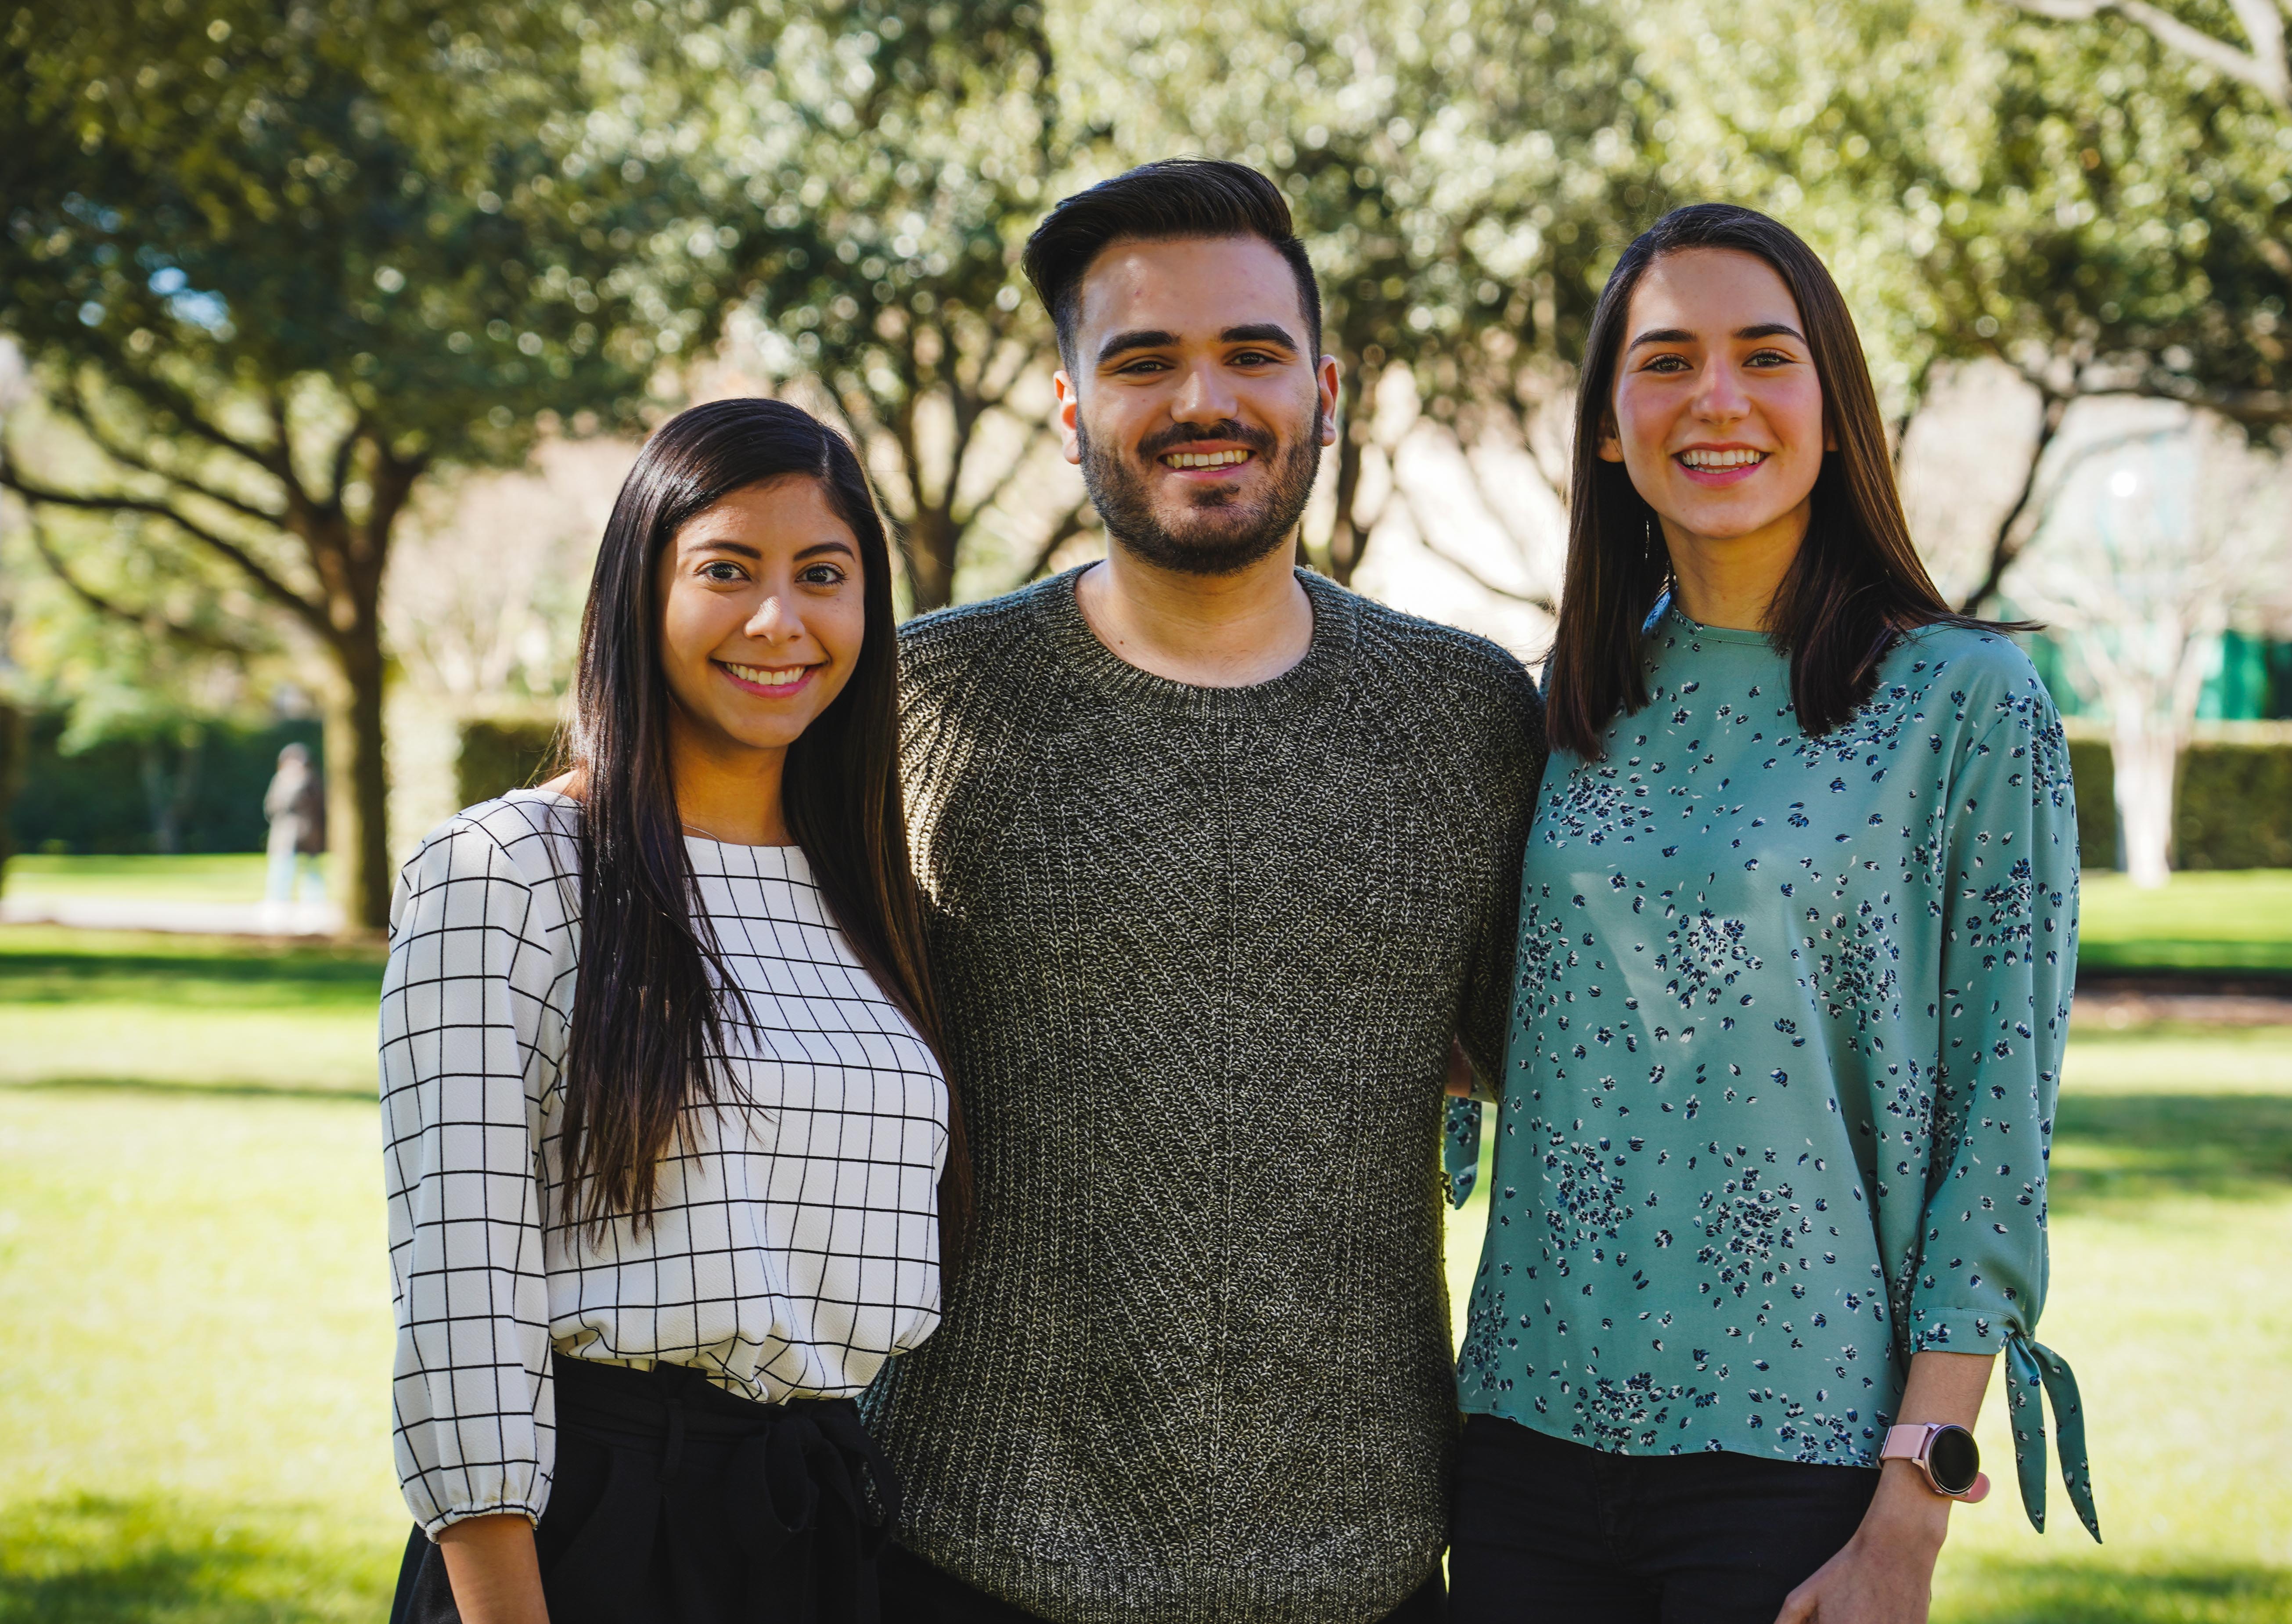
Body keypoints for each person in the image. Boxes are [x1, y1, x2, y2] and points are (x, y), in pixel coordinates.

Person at [860, 159, 1547, 1624]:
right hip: (961, 1551)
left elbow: (1562, 1067)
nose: (1202, 399)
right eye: (1141, 360)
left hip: (1360, 1564)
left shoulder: (1468, 717)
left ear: (1325, 387)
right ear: (1067, 410)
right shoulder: (917, 700)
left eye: (1250, 352)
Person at [1441, 202, 2098, 1624]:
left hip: (1794, 1452)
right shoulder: (1567, 702)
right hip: (1518, 1436)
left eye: (1763, 355)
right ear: (1609, 427)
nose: (1715, 398)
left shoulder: (1966, 705)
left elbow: (1997, 1128)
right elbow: (1516, 1027)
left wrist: (1909, 1504)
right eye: (1664, 360)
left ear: (1830, 405)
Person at [379, 397, 967, 1624]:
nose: (779, 619)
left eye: (823, 574)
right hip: (584, 1533)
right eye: (726, 570)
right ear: (637, 595)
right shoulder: (510, 869)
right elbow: (461, 1300)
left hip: (816, 1523)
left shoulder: (875, 896)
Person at [262, 741, 325, 907]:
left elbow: (319, 806)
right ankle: (279, 902)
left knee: (311, 871)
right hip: (284, 834)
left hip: (307, 833)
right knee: (282, 869)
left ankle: (313, 904)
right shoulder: (280, 781)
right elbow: (271, 806)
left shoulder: (310, 781)